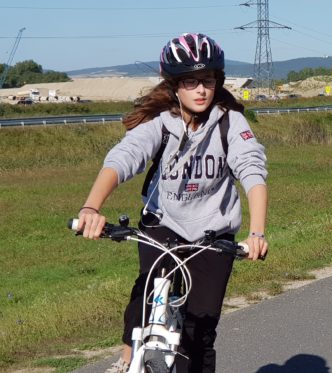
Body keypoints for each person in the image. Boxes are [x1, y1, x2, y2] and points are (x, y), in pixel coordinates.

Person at [75, 33, 269, 373]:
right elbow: (124, 158)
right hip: (163, 222)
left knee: (201, 332)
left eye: (207, 80)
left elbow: (252, 171)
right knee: (149, 288)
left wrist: (256, 232)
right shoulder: (160, 123)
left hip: (213, 231)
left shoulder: (230, 123)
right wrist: (91, 208)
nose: (201, 90)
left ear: (217, 82)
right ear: (175, 86)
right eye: (190, 81)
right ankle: (128, 356)